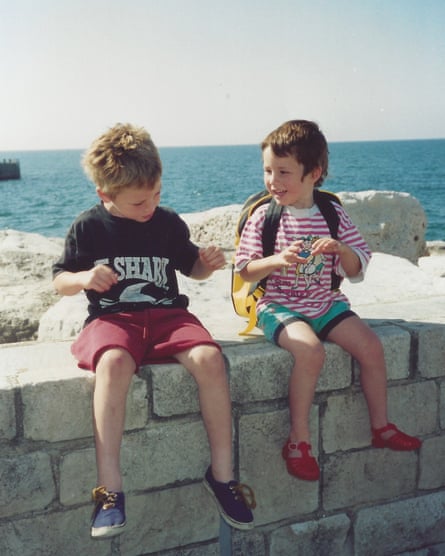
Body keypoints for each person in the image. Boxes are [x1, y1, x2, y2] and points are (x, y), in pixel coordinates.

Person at [52, 123, 255, 538]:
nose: (151, 205)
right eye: (140, 201)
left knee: (211, 358)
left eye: (158, 194)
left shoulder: (166, 222)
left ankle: (222, 476)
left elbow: (190, 268)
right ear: (104, 195)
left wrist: (206, 263)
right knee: (112, 365)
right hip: (114, 320)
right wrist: (86, 277)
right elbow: (60, 279)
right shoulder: (88, 227)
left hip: (166, 316)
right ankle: (110, 491)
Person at [234, 119, 421, 482]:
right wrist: (278, 260)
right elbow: (245, 270)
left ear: (314, 173)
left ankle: (381, 426)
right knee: (310, 351)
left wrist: (340, 248)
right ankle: (298, 442)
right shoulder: (265, 216)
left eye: (284, 172)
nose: (274, 181)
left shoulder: (332, 213)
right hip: (279, 306)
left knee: (370, 346)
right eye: (268, 171)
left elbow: (356, 268)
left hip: (325, 303)